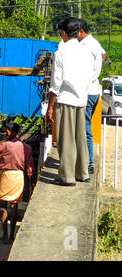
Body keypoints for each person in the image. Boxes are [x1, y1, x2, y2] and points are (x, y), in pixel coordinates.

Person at [46, 17, 93, 186]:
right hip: (82, 99)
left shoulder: (61, 53)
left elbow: (56, 84)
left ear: (64, 33)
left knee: (66, 140)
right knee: (80, 138)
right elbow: (90, 77)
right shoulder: (87, 52)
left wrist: (50, 107)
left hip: (66, 99)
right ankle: (83, 173)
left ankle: (67, 177)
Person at [78, 18, 107, 175]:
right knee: (84, 127)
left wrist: (90, 75)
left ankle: (88, 163)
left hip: (88, 91)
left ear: (81, 31)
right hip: (94, 90)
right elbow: (103, 55)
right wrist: (96, 69)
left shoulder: (87, 46)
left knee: (84, 128)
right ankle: (86, 161)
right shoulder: (94, 43)